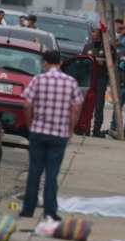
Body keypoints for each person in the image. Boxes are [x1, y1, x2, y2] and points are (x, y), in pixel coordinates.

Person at [19, 50, 84, 222]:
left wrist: (30, 125)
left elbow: (26, 105)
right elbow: (75, 109)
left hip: (38, 132)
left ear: (45, 63)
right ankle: (50, 211)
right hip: (59, 135)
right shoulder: (70, 82)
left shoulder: (38, 80)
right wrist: (69, 130)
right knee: (52, 174)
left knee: (35, 171)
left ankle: (28, 210)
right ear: (60, 63)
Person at [83, 27, 110, 138]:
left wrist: (101, 64)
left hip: (100, 79)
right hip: (88, 79)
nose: (94, 40)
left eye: (97, 38)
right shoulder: (87, 46)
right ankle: (85, 127)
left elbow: (112, 64)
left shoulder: (108, 48)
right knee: (87, 105)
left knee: (99, 105)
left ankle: (97, 129)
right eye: (93, 38)